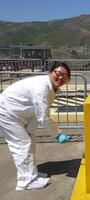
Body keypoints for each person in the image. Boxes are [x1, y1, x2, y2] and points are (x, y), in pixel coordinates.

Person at [0, 62, 71, 190]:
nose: (61, 78)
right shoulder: (42, 87)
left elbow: (39, 111)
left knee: (30, 141)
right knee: (22, 144)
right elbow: (43, 116)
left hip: (19, 114)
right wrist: (58, 134)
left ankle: (32, 174)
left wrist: (30, 130)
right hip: (7, 113)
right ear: (51, 72)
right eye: (58, 74)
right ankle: (26, 182)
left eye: (65, 77)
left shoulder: (51, 87)